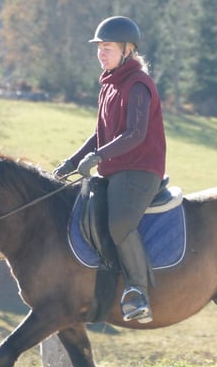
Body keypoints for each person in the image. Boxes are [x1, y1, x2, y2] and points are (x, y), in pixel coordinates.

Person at [53, 16, 166, 324]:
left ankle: (138, 293)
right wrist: (74, 160)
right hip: (116, 168)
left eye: (108, 47)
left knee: (118, 224)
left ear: (128, 50)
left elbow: (135, 134)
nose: (101, 53)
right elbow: (100, 132)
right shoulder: (109, 84)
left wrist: (98, 157)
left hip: (140, 169)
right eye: (99, 48)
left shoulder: (138, 85)